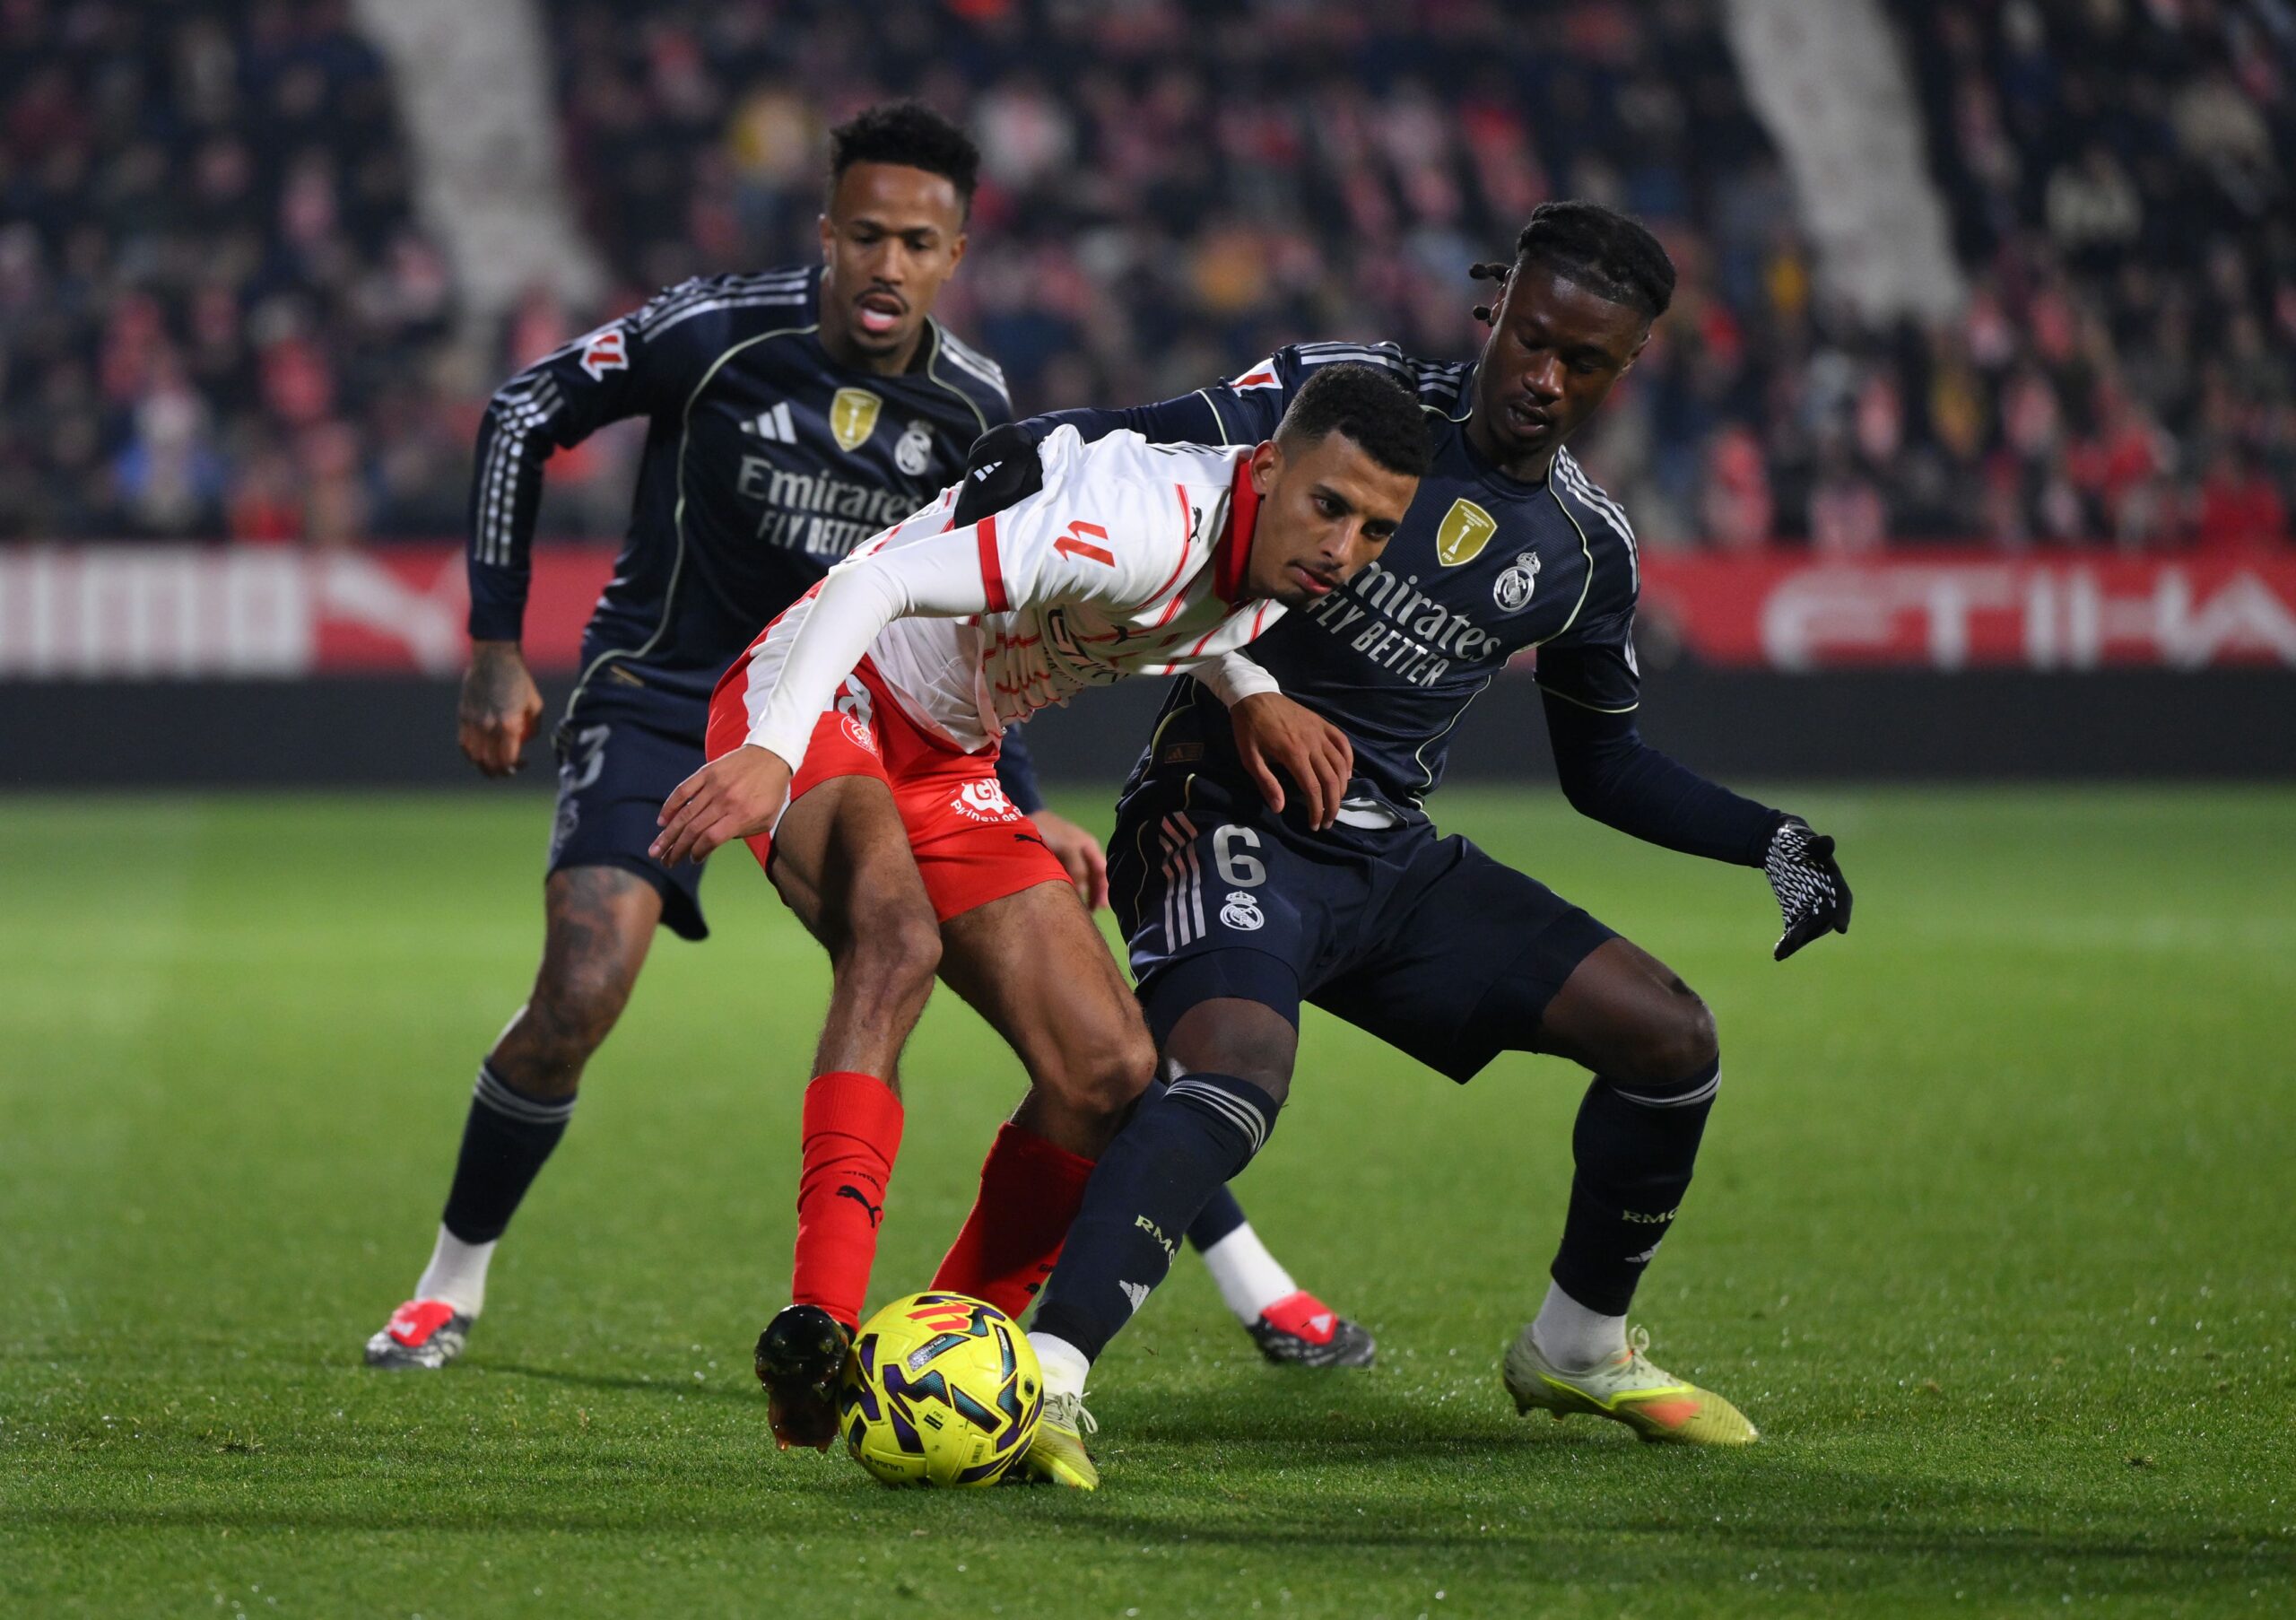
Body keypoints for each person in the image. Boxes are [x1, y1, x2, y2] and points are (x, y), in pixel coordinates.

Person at [362, 102, 1357, 1372]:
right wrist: (496, 643)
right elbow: (520, 412)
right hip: (674, 692)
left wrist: (1019, 797)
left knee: (1075, 1027)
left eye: (918, 243)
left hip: (887, 712)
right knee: (581, 989)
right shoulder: (714, 333)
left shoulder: (973, 403)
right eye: (868, 235)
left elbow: (993, 617)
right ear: (826, 234)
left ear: (956, 254)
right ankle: (448, 1284)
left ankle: (1196, 1291)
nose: (890, 264)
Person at [988, 202, 1853, 1489]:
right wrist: (1026, 467)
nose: (1546, 377)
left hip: (1387, 859)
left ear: (1629, 366)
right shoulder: (1348, 398)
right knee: (1235, 1070)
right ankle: (1046, 1380)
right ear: (1493, 308)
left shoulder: (1586, 550)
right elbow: (1130, 454)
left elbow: (1602, 767)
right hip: (1213, 811)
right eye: (1532, 338)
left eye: (1585, 361)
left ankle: (1577, 1346)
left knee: (1671, 1041)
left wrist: (1770, 838)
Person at [648, 363, 1430, 1450]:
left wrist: (1251, 690)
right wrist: (774, 750)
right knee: (896, 942)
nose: (1343, 548)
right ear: (1264, 470)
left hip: (949, 755)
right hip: (828, 691)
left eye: (1376, 529)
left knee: (1106, 1068)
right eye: (1328, 506)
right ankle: (816, 1326)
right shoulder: (1134, 526)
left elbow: (1191, 615)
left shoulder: (1274, 565)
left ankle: (934, 1363)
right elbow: (869, 587)